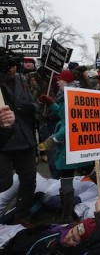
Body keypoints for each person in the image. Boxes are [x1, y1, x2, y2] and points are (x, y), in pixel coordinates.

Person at [37, 69, 93, 223]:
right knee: (91, 172)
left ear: (66, 81)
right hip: (79, 145)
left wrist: (51, 141)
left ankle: (66, 214)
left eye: (59, 79)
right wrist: (51, 103)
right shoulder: (69, 94)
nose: (56, 81)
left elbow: (69, 126)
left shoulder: (70, 96)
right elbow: (63, 115)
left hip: (71, 146)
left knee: (67, 179)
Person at [0, 48, 39, 227]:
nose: (12, 69)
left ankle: (21, 215)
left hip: (24, 138)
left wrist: (32, 107)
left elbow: (34, 103)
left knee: (29, 178)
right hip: (3, 142)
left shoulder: (22, 80)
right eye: (7, 66)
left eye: (14, 65)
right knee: (4, 182)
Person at [0, 215, 100, 254]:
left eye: (74, 239)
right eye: (72, 231)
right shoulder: (57, 231)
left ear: (84, 245)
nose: (67, 237)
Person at [25, 53, 60, 178]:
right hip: (45, 119)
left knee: (62, 151)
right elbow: (27, 97)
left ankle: (64, 178)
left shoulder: (58, 78)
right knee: (52, 151)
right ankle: (56, 179)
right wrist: (38, 102)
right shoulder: (31, 77)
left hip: (61, 118)